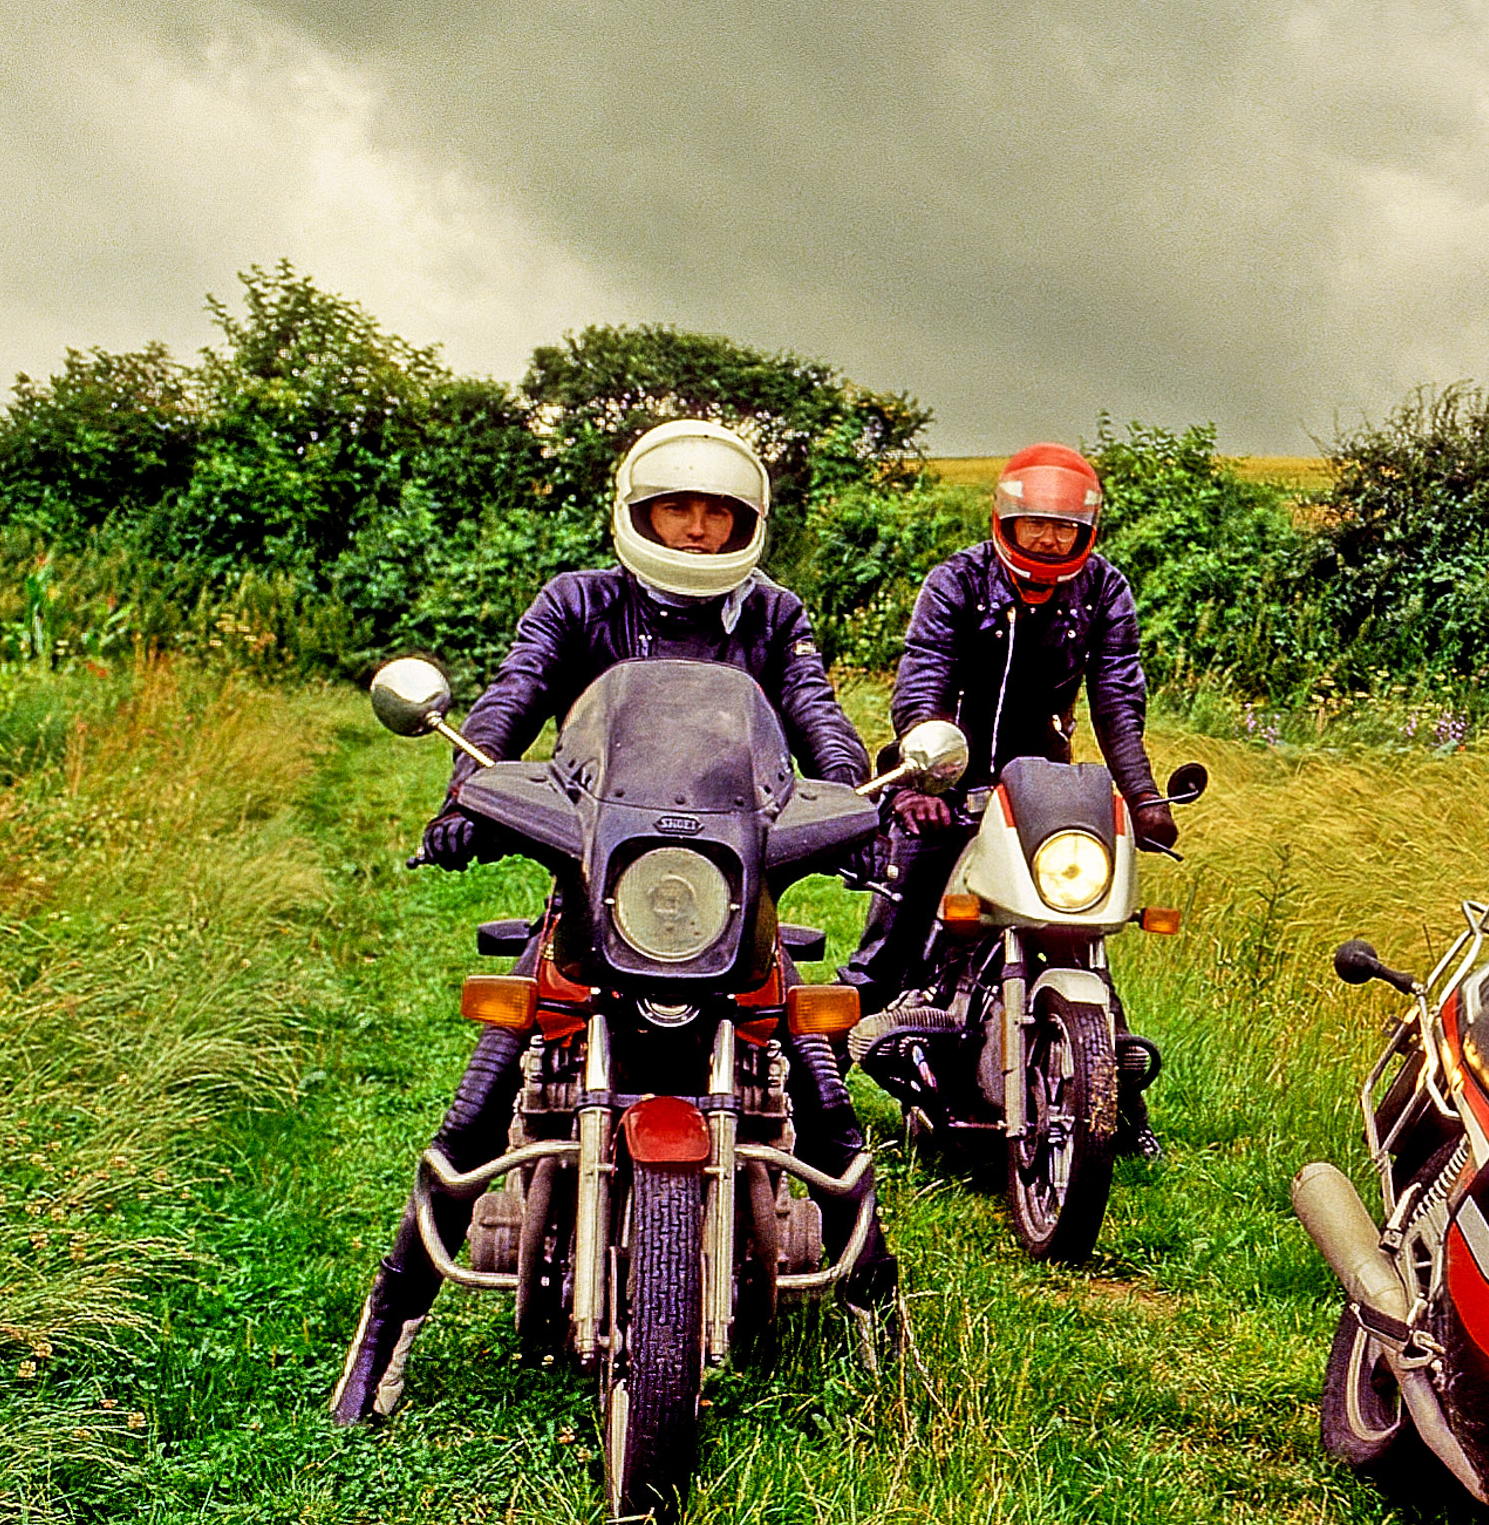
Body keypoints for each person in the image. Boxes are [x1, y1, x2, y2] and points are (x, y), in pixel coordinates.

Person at [330, 418, 874, 1426]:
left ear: (747, 522)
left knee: (820, 1087)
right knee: (481, 1100)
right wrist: (466, 797)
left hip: (727, 890)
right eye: (679, 508)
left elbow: (818, 716)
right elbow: (512, 698)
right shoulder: (578, 601)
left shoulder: (773, 614)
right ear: (638, 512)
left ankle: (881, 1320)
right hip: (596, 884)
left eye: (719, 512)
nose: (698, 528)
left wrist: (854, 802)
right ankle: (384, 1335)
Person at [842, 442, 1174, 1013]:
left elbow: (1117, 702)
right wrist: (922, 783)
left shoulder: (1104, 590)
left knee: (1078, 922)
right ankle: (842, 1047)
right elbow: (924, 685)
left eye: (1064, 528)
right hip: (943, 782)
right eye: (1035, 523)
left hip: (1042, 794)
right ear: (1006, 520)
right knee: (895, 941)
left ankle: (1105, 1048)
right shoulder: (958, 581)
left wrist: (1144, 797)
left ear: (1086, 531)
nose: (1048, 539)